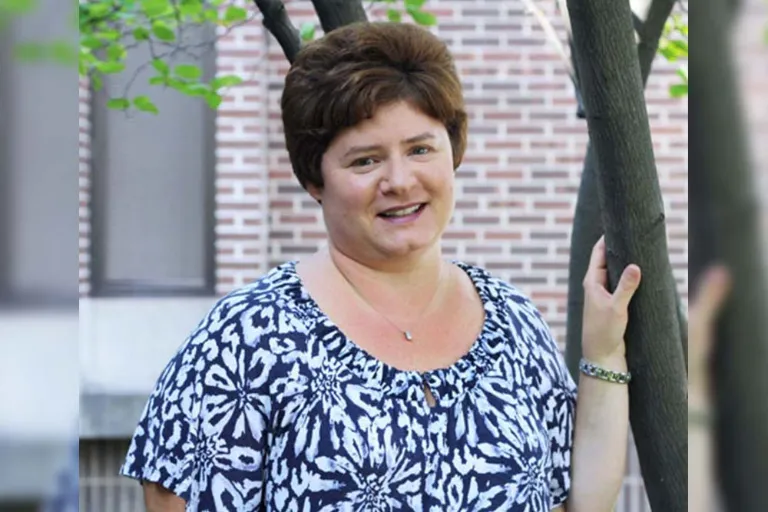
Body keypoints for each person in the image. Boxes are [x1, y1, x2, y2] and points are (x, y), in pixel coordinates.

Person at [120, 22, 642, 511]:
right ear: (314, 180)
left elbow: (576, 501)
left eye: (420, 149)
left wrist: (604, 350)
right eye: (365, 160)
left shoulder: (512, 322)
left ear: (452, 152)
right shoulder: (245, 341)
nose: (400, 180)